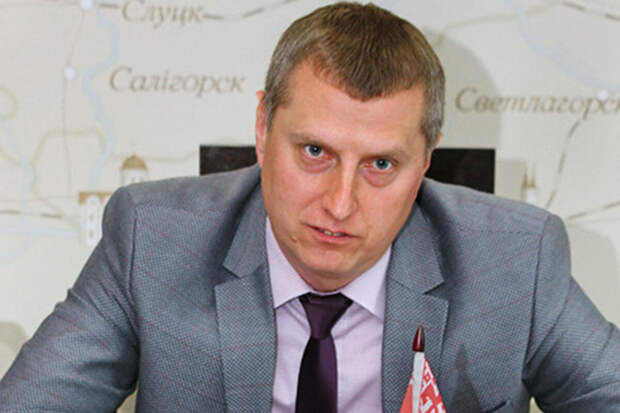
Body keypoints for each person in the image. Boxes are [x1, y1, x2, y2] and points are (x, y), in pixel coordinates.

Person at [1, 2, 619, 412]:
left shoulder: (514, 262)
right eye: (315, 152)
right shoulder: (154, 240)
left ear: (426, 159)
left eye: (381, 164)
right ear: (263, 127)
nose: (340, 204)